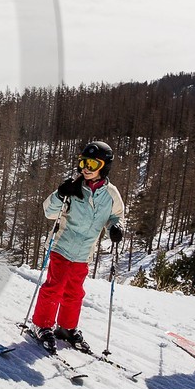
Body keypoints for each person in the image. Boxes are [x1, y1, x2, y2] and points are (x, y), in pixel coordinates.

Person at [28, 140, 125, 352]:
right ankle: (42, 325)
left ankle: (66, 327)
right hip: (62, 246)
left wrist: (116, 228)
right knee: (55, 287)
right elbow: (49, 212)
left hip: (84, 252)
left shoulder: (111, 194)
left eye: (92, 164)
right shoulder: (73, 187)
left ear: (104, 167)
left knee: (74, 292)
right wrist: (60, 194)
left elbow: (116, 216)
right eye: (83, 163)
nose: (85, 169)